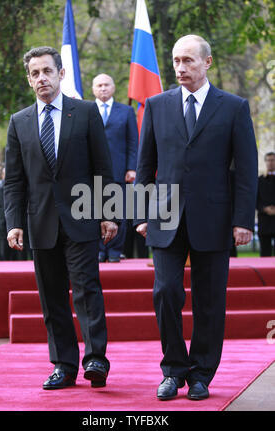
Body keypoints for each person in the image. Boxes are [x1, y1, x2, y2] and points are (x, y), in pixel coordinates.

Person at [134, 35, 258, 401]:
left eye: (188, 60)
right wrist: (140, 213)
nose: (181, 67)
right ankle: (173, 369)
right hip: (164, 218)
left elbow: (247, 170)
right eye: (176, 61)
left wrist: (242, 221)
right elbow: (145, 166)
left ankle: (202, 374)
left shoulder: (234, 107)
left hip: (215, 219)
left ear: (207, 62)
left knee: (209, 300)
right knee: (166, 291)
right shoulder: (156, 105)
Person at [4, 46, 118, 390]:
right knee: (52, 298)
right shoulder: (19, 121)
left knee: (87, 290)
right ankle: (63, 366)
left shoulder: (84, 113)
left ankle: (96, 358)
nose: (41, 78)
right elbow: (14, 180)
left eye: (47, 71)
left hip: (83, 219)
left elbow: (103, 167)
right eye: (35, 73)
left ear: (61, 74)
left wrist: (109, 214)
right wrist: (14, 222)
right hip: (40, 224)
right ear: (29, 79)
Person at [92, 73, 138, 262]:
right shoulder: (86, 110)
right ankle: (100, 250)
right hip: (93, 172)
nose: (103, 88)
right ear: (93, 89)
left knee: (118, 212)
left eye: (106, 85)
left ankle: (114, 251)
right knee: (94, 212)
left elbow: (133, 142)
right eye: (99, 85)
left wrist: (132, 168)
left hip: (119, 171)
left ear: (113, 88)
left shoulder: (126, 111)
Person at [257, 152, 275, 256]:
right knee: (265, 253)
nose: (270, 163)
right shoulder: (259, 180)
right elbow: (255, 200)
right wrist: (264, 209)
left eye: (272, 160)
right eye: (268, 160)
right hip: (264, 222)